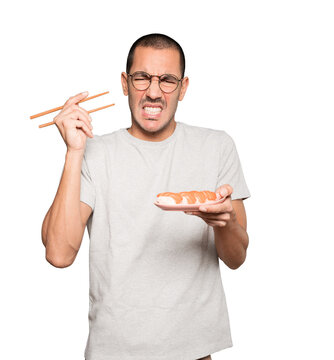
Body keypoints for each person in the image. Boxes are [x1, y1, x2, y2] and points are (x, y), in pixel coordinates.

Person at [41, 33, 251, 360]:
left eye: (167, 80)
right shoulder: (95, 153)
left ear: (183, 87)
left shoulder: (217, 147)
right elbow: (58, 253)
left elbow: (237, 258)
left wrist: (224, 224)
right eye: (142, 78)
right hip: (114, 352)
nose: (153, 91)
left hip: (193, 352)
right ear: (125, 83)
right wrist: (74, 151)